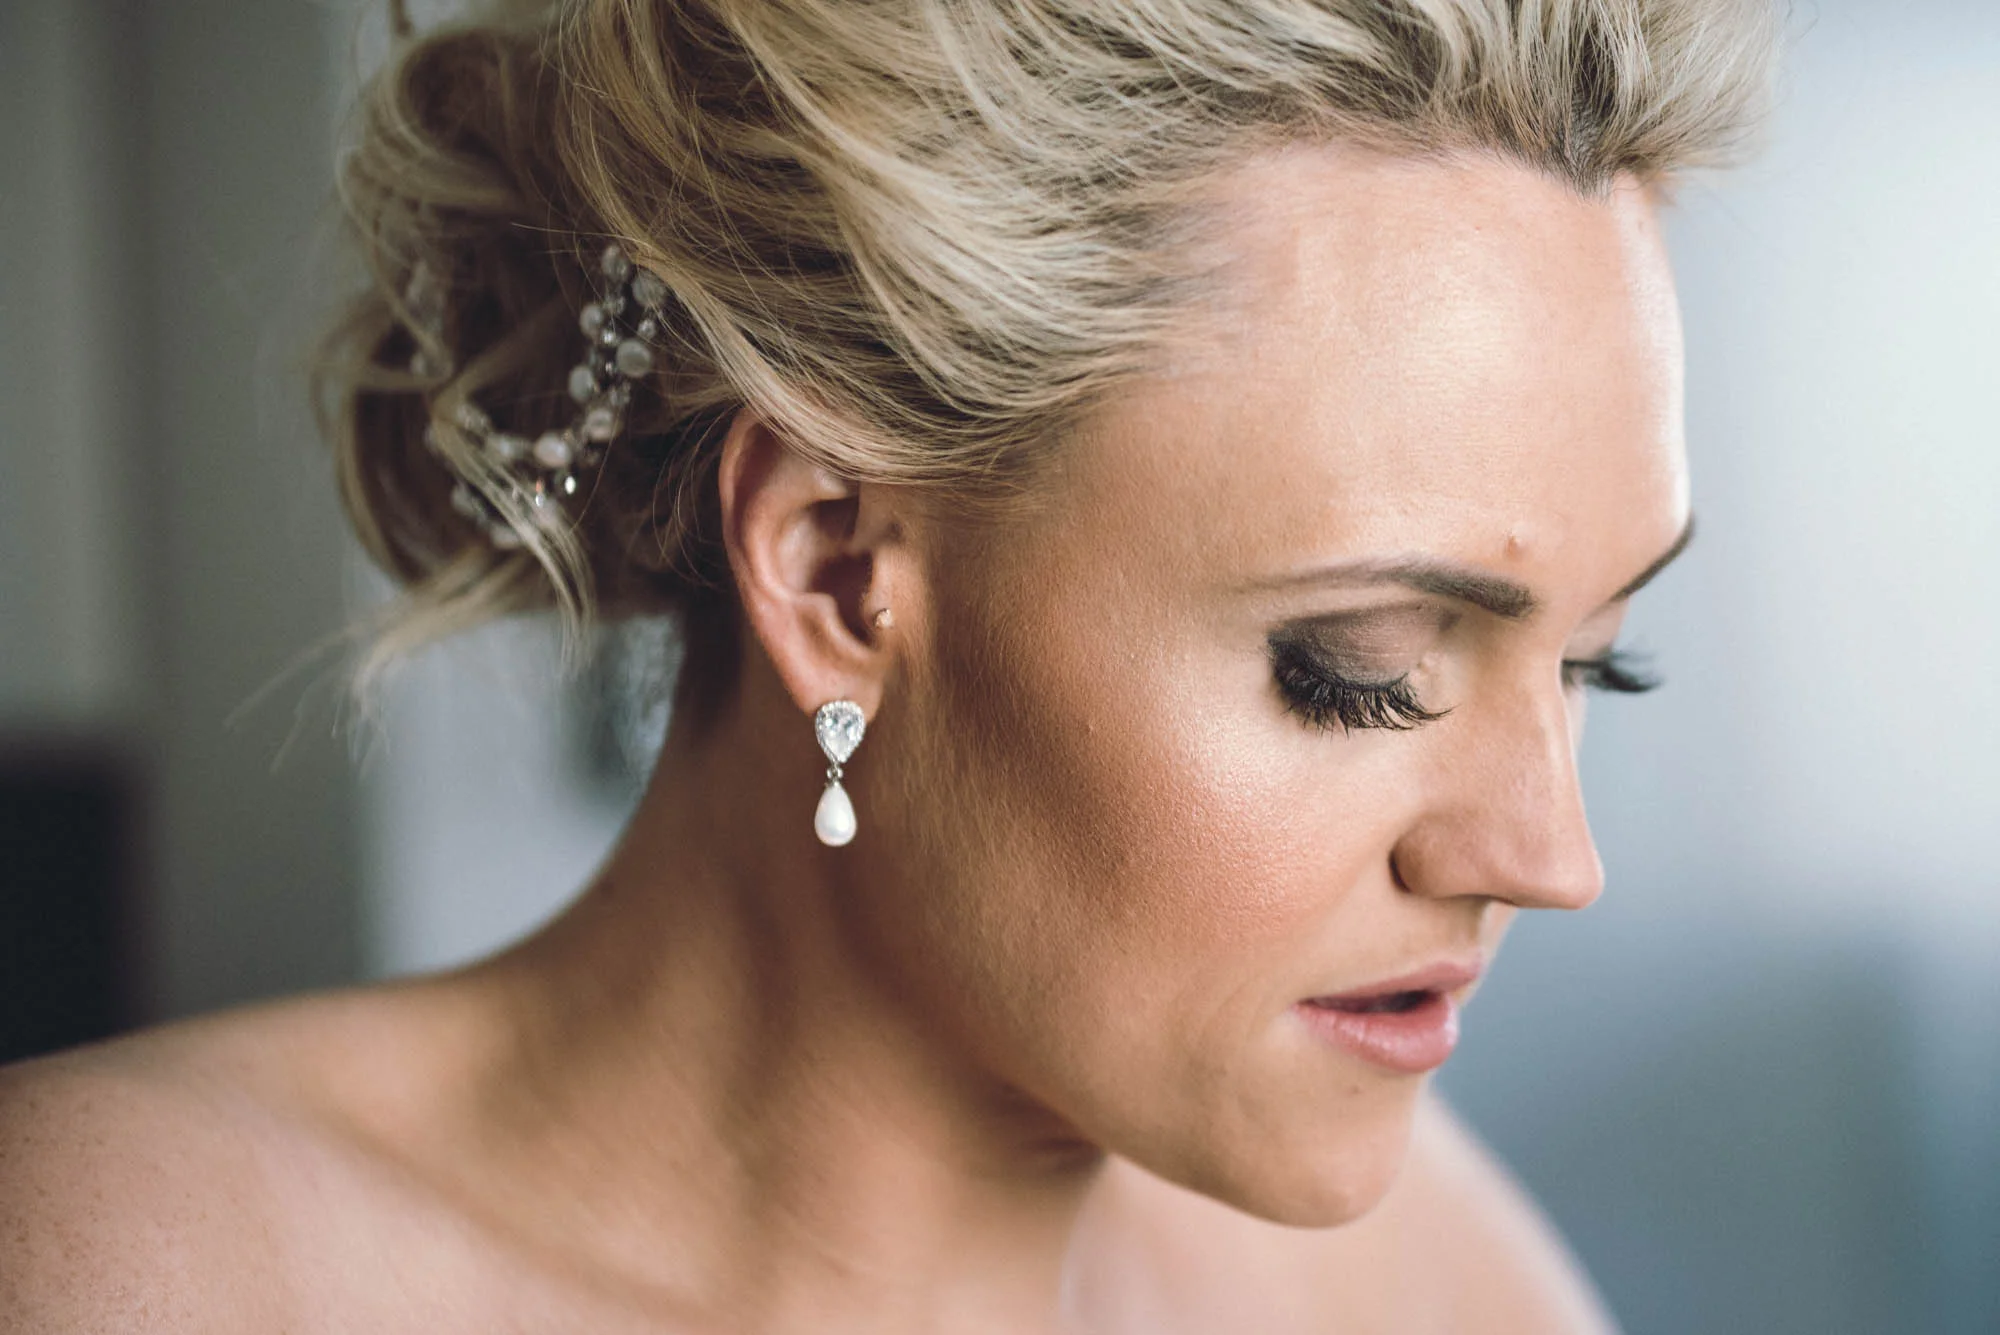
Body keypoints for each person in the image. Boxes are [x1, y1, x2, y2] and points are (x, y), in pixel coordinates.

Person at [0, 0, 1776, 1329]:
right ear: (839, 573)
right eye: (1358, 668)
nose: (1552, 857)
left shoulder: (1434, 1297)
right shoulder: (118, 1267)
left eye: (1594, 664)